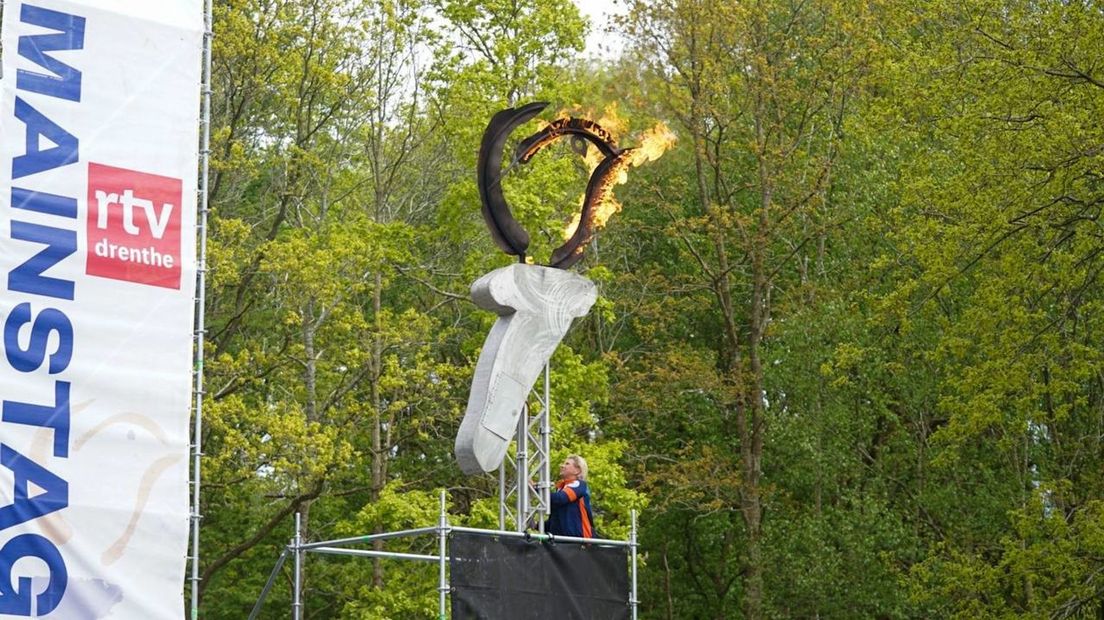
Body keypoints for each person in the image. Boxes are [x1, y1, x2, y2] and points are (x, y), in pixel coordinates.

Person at [545, 454, 595, 538]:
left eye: (567, 464)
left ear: (577, 470)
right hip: (561, 542)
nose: (562, 466)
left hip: (578, 542)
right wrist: (536, 525)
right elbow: (555, 520)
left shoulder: (578, 485)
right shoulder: (561, 489)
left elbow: (560, 499)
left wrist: (537, 489)